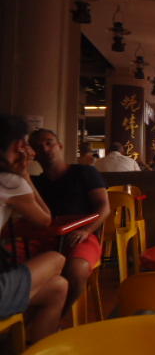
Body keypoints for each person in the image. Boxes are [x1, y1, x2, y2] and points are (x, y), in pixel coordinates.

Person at [0, 115, 68, 343]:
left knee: (58, 287)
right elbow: (46, 220)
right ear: (19, 146)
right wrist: (25, 175)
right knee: (57, 258)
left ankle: (29, 344)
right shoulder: (9, 182)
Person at [28, 128, 110, 314]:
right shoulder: (36, 182)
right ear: (33, 155)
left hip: (82, 232)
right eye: (39, 147)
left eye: (49, 143)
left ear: (60, 145)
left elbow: (104, 207)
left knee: (77, 269)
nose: (45, 148)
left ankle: (58, 315)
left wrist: (86, 231)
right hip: (47, 235)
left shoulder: (85, 172)